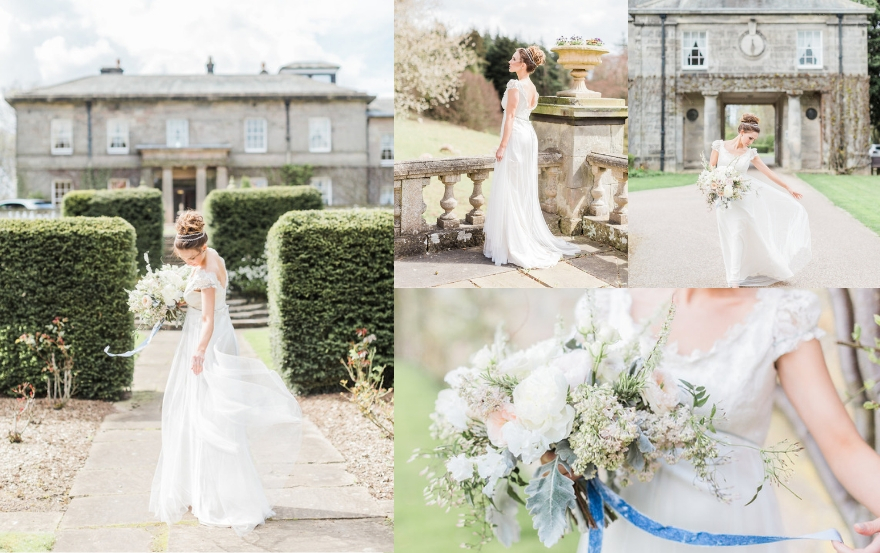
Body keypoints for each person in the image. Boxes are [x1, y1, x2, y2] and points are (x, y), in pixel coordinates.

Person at [576, 288, 880, 552]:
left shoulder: (781, 315)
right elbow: (568, 413)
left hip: (735, 530)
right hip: (629, 532)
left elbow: (843, 445)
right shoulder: (604, 305)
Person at [148, 210, 302, 536]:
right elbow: (204, 305)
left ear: (201, 250)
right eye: (184, 260)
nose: (189, 263)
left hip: (209, 339)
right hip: (219, 333)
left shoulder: (204, 271)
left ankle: (221, 497)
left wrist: (200, 351)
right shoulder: (212, 255)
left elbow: (207, 318)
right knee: (206, 411)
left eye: (191, 258)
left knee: (210, 415)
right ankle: (201, 489)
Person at [482, 45, 580, 269]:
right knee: (520, 187)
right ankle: (514, 238)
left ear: (523, 64)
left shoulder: (515, 85)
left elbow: (511, 117)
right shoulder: (532, 87)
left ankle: (511, 244)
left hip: (516, 137)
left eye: (513, 58)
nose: (509, 61)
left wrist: (502, 146)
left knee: (511, 187)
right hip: (528, 136)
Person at [709, 114, 811, 287]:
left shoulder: (750, 154)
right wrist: (715, 182)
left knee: (738, 233)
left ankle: (733, 279)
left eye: (754, 140)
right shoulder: (719, 146)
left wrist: (788, 187)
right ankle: (737, 272)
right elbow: (711, 166)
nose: (751, 142)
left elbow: (768, 172)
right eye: (750, 138)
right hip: (723, 199)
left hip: (742, 199)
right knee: (728, 235)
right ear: (741, 131)